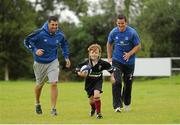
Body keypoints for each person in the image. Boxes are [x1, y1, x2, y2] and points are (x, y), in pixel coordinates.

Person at [24, 16, 71, 116]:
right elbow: (27, 41)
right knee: (39, 85)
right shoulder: (39, 33)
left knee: (54, 83)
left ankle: (53, 109)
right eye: (53, 25)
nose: (55, 27)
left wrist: (66, 57)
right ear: (48, 24)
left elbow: (64, 44)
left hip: (53, 61)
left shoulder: (60, 34)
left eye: (56, 25)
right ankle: (37, 103)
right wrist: (35, 50)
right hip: (39, 62)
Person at [106, 14, 141, 112]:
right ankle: (117, 106)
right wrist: (109, 57)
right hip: (117, 61)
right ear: (116, 23)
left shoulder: (132, 32)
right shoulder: (113, 32)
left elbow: (138, 46)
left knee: (128, 84)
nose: (120, 25)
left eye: (122, 23)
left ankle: (127, 103)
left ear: (126, 23)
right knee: (117, 82)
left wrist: (129, 54)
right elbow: (109, 43)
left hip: (129, 62)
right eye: (119, 23)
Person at [76, 43, 114, 119]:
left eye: (96, 52)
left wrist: (112, 77)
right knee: (91, 101)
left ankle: (99, 113)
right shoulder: (86, 63)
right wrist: (80, 73)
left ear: (99, 54)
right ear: (89, 53)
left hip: (98, 80)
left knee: (96, 96)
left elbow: (111, 69)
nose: (94, 54)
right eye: (92, 52)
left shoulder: (102, 63)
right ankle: (93, 108)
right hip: (89, 82)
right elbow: (78, 69)